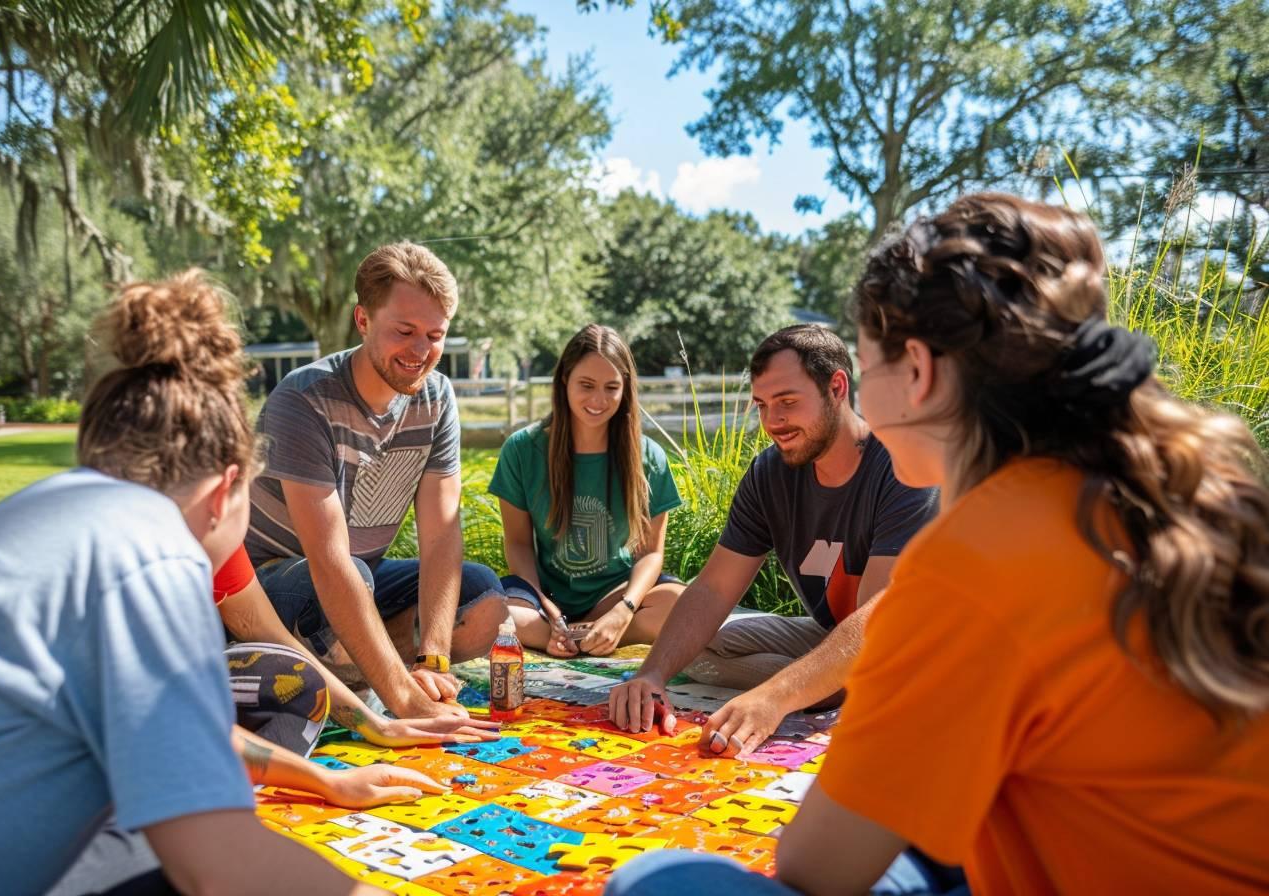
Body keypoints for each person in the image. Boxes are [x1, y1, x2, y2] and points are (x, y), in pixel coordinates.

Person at [611, 192, 1269, 895]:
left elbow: (816, 867)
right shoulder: (1158, 490)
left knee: (656, 880)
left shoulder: (971, 560)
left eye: (866, 366)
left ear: (918, 370)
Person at [0, 271, 395, 895]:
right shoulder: (153, 550)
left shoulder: (51, 517)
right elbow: (220, 865)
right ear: (227, 488)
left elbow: (189, 744)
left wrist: (326, 782)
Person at [608, 324, 938, 754]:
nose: (772, 422)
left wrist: (774, 697)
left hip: (908, 652)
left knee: (821, 671)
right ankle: (819, 683)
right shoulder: (770, 474)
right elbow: (712, 588)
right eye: (762, 405)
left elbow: (879, 622)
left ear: (837, 387)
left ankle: (818, 684)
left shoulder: (904, 466)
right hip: (827, 635)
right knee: (697, 640)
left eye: (787, 402)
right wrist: (651, 675)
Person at [245, 242, 508, 723]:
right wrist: (406, 702)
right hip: (274, 583)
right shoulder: (303, 400)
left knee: (485, 598)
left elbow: (441, 533)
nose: (421, 351)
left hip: (361, 575)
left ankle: (364, 665)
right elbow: (328, 563)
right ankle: (371, 674)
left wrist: (434, 657)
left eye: (435, 334)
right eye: (404, 331)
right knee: (350, 582)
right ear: (362, 320)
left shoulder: (437, 397)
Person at [210, 545, 500, 810]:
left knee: (301, 684)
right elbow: (174, 712)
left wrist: (377, 726)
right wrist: (325, 780)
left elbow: (263, 627)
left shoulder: (219, 538)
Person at [488, 324, 685, 657]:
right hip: (544, 600)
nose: (598, 400)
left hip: (616, 594)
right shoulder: (522, 450)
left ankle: (591, 633)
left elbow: (651, 553)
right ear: (565, 380)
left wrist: (624, 609)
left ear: (626, 389)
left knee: (679, 604)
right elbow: (518, 543)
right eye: (586, 385)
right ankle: (578, 637)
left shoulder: (648, 456)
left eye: (611, 387)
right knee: (490, 614)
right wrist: (547, 608)